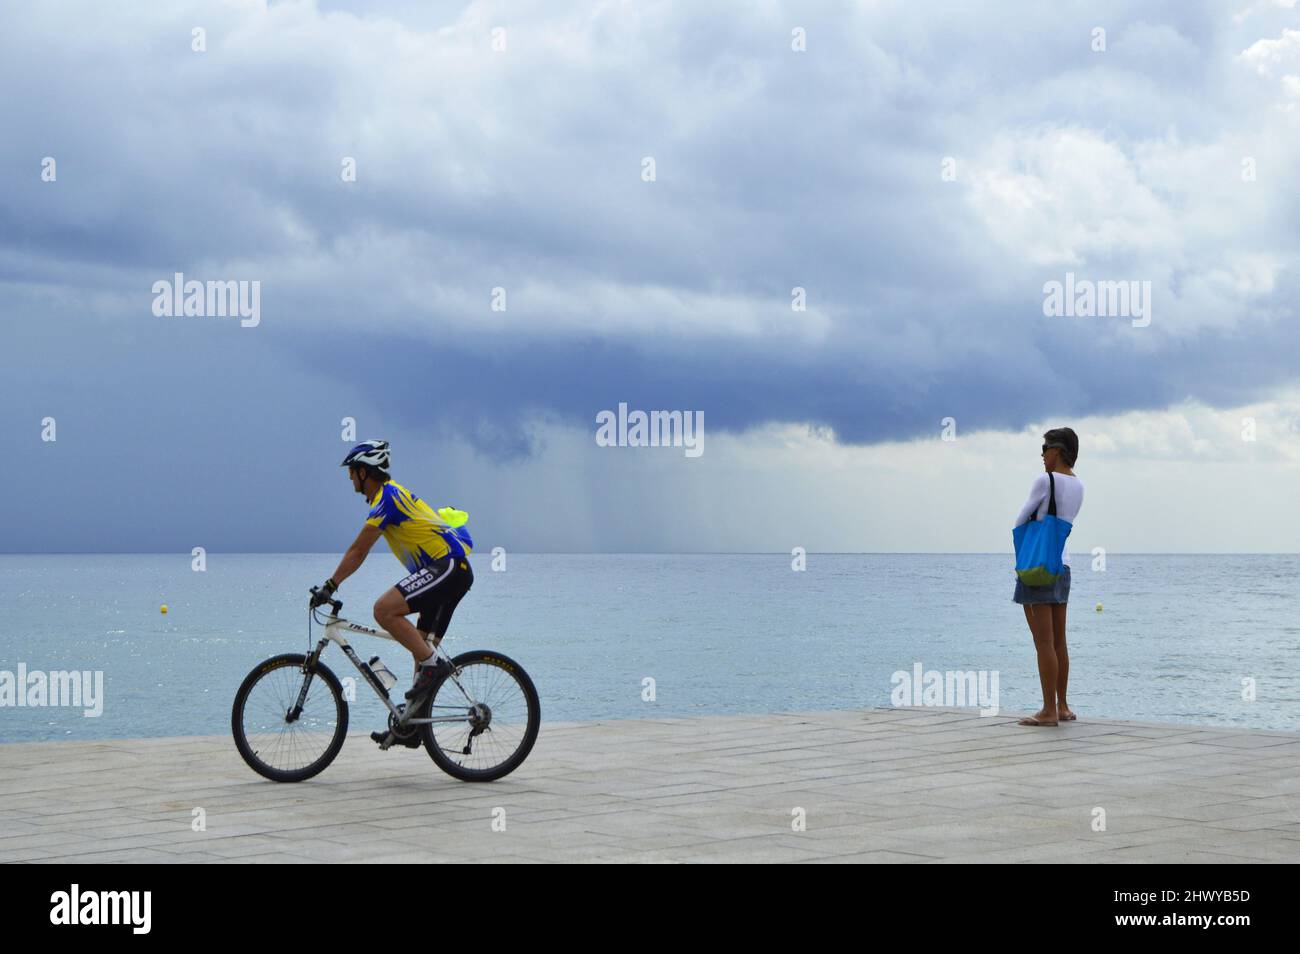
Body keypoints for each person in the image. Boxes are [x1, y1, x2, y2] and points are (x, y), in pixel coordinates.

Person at [311, 439, 474, 746]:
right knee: (421, 649)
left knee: (384, 611)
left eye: (352, 472)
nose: (349, 478)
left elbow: (359, 550)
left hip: (448, 568)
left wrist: (330, 585)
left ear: (364, 472)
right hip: (451, 573)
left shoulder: (387, 498)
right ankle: (412, 728)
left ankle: (433, 668)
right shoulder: (387, 497)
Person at [1013, 428, 1084, 727]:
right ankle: (1063, 705)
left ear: (1057, 451)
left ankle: (1047, 711)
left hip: (1038, 566)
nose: (1042, 456)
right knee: (1059, 641)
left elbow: (1020, 520)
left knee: (1042, 641)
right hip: (1062, 565)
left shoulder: (1045, 481)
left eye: (1044, 449)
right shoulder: (1079, 486)